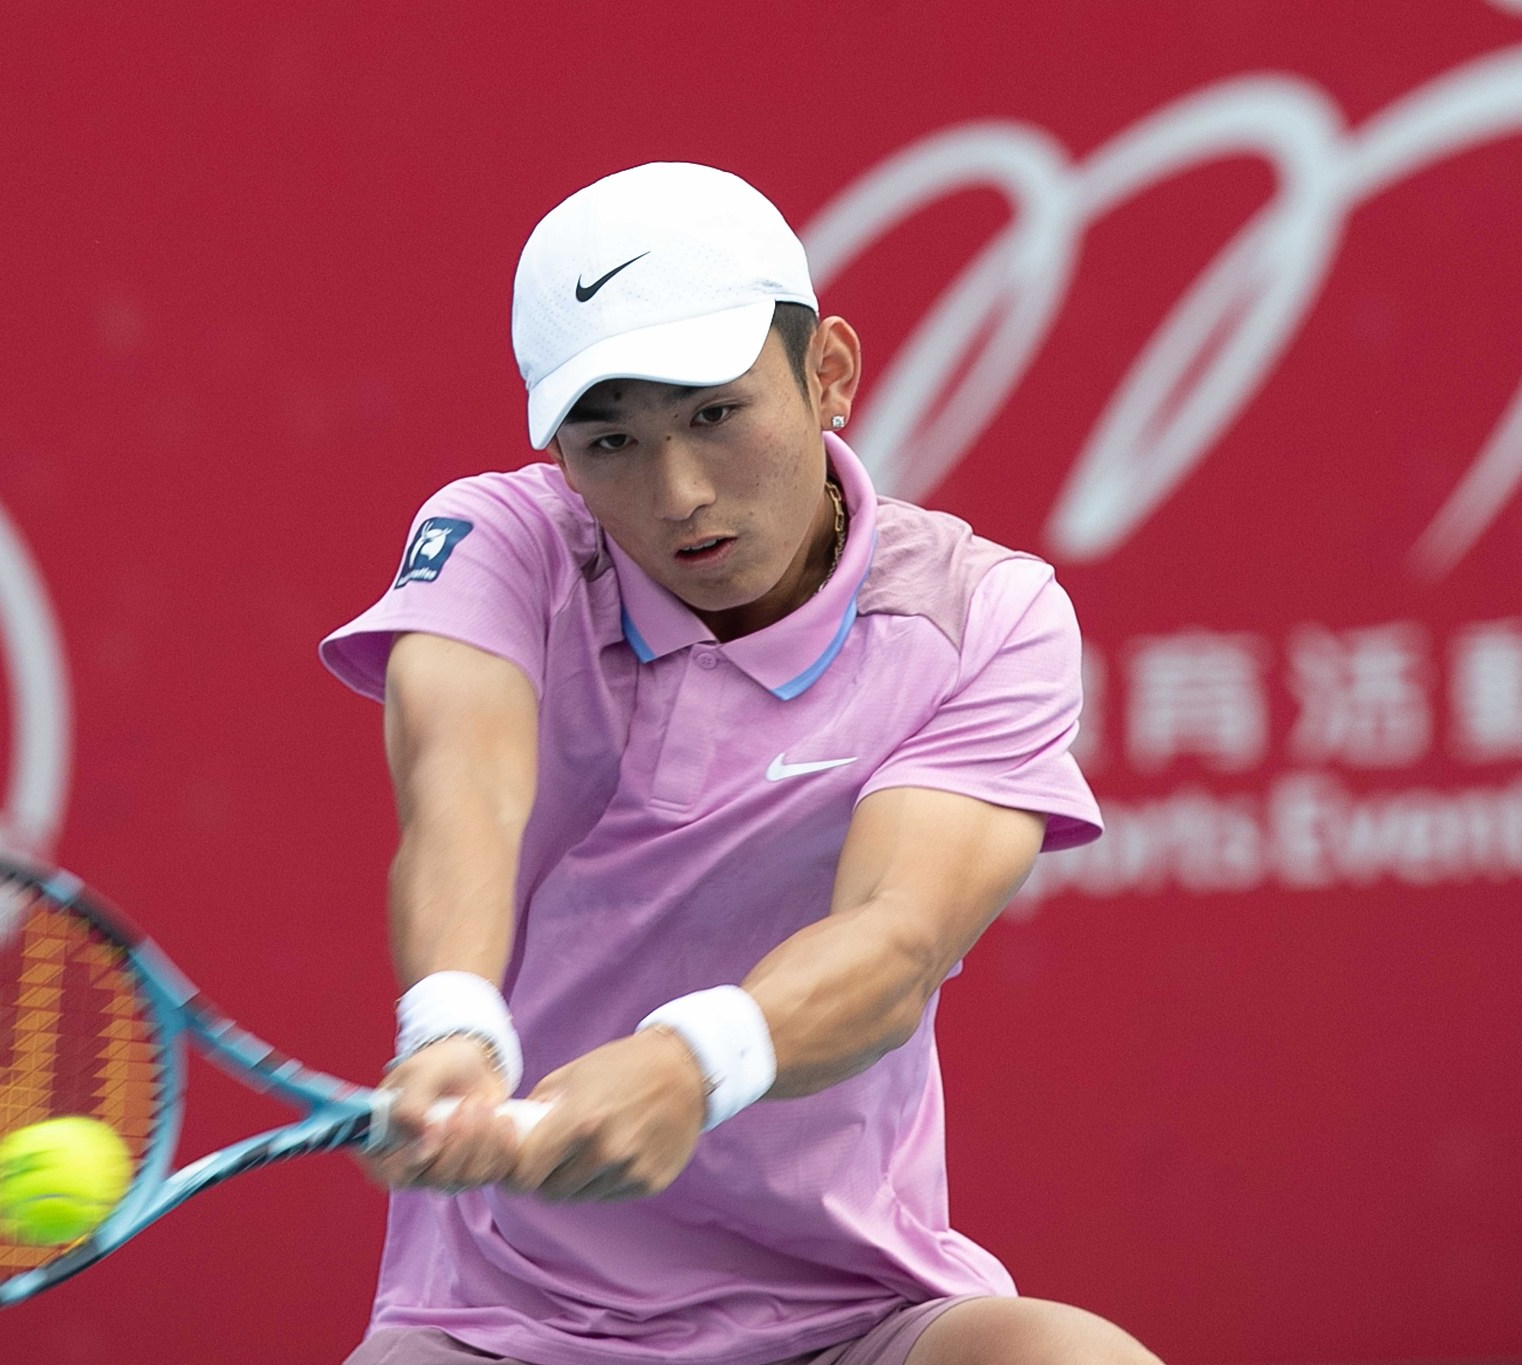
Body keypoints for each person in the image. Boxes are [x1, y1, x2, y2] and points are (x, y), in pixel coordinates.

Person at [321, 163, 1159, 1365]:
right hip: (495, 1327)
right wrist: (452, 1022)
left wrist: (693, 1064)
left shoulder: (983, 617)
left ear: (829, 375)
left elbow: (894, 938)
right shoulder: (500, 546)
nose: (677, 494)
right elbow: (463, 789)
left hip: (852, 1316)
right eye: (610, 441)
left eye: (714, 414)